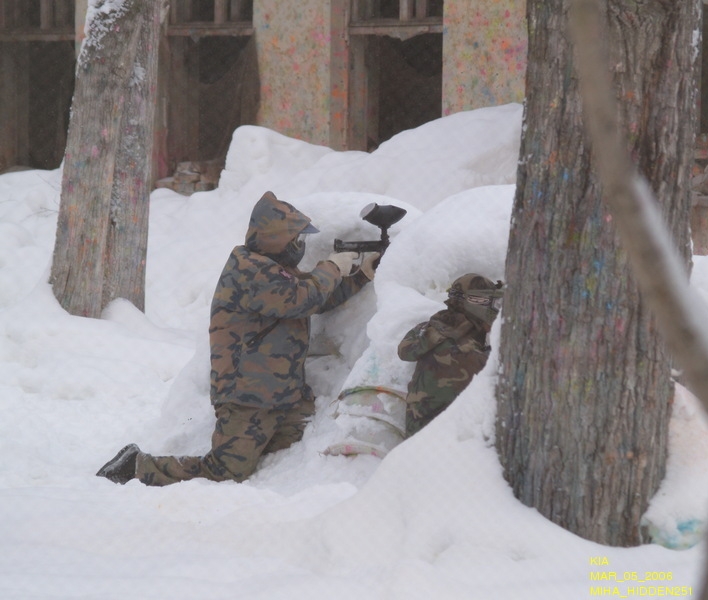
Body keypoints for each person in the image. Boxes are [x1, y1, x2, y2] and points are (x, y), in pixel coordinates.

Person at [97, 191, 379, 486]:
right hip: (247, 394)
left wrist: (361, 277)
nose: (300, 246)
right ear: (275, 240)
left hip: (281, 393)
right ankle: (136, 466)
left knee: (289, 453)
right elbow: (301, 299)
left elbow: (316, 299)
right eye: (295, 240)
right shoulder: (248, 271)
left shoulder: (274, 272)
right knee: (227, 471)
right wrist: (333, 266)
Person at [397, 273, 503, 437]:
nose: (497, 312)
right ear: (477, 304)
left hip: (421, 440)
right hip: (440, 448)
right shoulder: (464, 352)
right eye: (494, 304)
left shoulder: (431, 330)